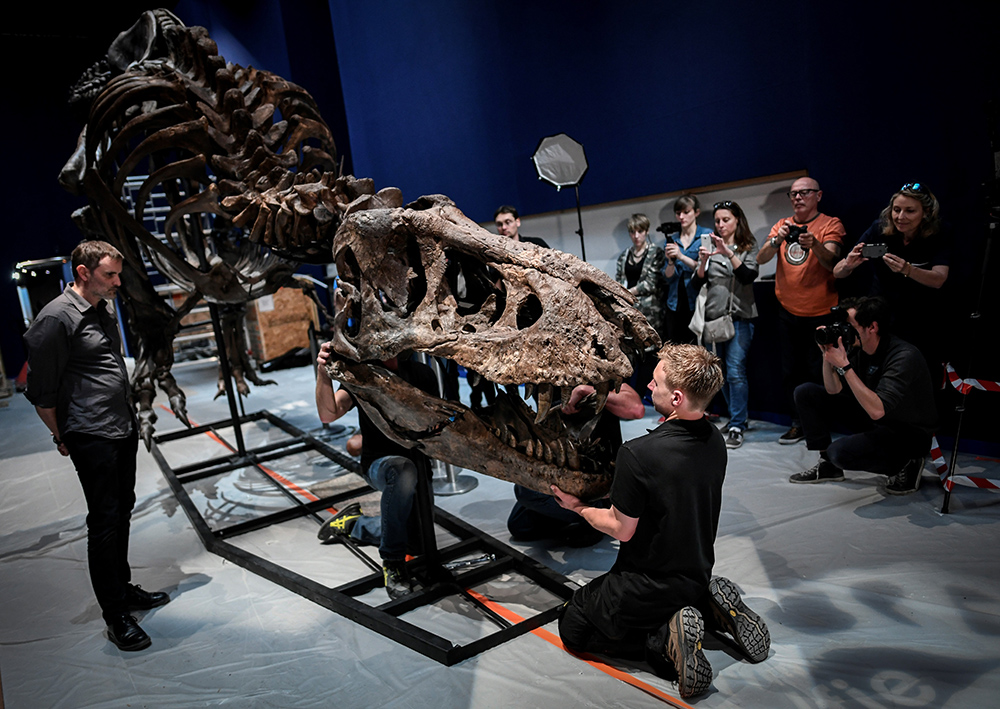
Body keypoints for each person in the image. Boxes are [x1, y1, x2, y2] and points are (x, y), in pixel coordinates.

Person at [552, 344, 770, 699]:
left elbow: (621, 528)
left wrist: (576, 508)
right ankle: (706, 607)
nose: (649, 388)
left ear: (677, 398)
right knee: (675, 596)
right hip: (695, 572)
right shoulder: (715, 440)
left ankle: (662, 641)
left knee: (572, 625)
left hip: (646, 584)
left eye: (656, 384)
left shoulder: (638, 454)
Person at [23, 240, 169, 652]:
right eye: (110, 275)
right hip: (90, 434)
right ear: (83, 273)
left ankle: (123, 590)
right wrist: (62, 435)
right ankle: (114, 613)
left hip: (119, 427)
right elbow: (42, 392)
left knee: (121, 509)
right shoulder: (54, 319)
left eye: (118, 274)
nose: (118, 282)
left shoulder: (101, 308)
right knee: (104, 521)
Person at [314, 342, 438, 598]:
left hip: (418, 464)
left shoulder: (421, 374)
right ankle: (392, 562)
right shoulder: (362, 378)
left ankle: (353, 524)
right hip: (380, 464)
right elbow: (328, 414)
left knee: (419, 541)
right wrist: (323, 372)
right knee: (403, 471)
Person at [788, 296, 938, 495]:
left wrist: (844, 366)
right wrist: (827, 356)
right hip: (877, 419)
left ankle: (905, 463)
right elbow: (833, 390)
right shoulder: (859, 349)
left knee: (839, 453)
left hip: (907, 432)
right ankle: (828, 466)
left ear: (872, 327)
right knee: (806, 392)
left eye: (850, 326)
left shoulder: (903, 356)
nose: (845, 331)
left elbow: (877, 410)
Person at [756, 177, 846, 445]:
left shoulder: (830, 224)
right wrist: (777, 240)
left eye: (804, 193)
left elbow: (833, 262)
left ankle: (819, 425)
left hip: (821, 312)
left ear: (818, 196)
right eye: (793, 194)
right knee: (790, 372)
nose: (798, 198)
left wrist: (814, 243)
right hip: (787, 311)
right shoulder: (781, 225)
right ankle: (798, 423)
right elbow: (761, 258)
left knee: (819, 371)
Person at [833, 183, 950, 383]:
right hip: (882, 313)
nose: (900, 217)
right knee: (878, 372)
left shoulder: (938, 234)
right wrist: (848, 264)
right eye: (896, 210)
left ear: (926, 212)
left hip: (921, 317)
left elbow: (939, 279)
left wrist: (908, 270)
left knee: (916, 374)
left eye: (910, 211)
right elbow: (838, 272)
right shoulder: (879, 228)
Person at [506, 382, 645, 546]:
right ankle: (584, 513)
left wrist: (588, 391)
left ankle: (594, 515)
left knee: (526, 493)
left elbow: (636, 409)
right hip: (562, 468)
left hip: (597, 475)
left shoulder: (597, 375)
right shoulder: (543, 378)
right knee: (520, 526)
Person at [692, 201, 760, 449]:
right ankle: (736, 418)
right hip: (714, 320)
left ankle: (737, 425)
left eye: (726, 220)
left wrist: (728, 253)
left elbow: (749, 276)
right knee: (720, 375)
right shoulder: (708, 245)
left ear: (737, 221)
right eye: (718, 221)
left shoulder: (747, 247)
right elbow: (697, 283)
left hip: (740, 318)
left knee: (735, 371)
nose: (721, 225)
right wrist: (702, 261)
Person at [615, 214, 666, 397]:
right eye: (632, 232)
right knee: (630, 354)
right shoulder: (625, 255)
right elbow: (619, 281)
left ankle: (647, 394)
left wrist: (628, 293)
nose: (636, 236)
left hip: (651, 313)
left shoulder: (655, 252)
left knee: (650, 353)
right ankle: (629, 395)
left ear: (646, 232)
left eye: (640, 231)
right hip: (629, 312)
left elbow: (651, 283)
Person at [662, 194, 712, 345]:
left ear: (696, 212)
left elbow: (705, 269)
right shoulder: (673, 239)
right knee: (675, 348)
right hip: (675, 301)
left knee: (696, 348)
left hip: (697, 300)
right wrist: (671, 261)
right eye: (678, 213)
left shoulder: (705, 235)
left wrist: (681, 256)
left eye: (686, 212)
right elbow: (667, 276)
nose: (682, 217)